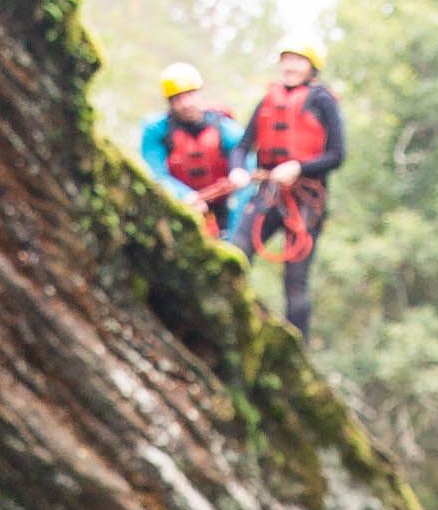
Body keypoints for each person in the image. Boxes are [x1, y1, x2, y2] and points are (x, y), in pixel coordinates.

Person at [235, 40, 345, 337]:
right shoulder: (268, 100)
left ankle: (297, 350)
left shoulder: (323, 101)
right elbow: (244, 145)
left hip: (307, 201)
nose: (291, 66)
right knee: (237, 252)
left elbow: (337, 154)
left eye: (299, 60)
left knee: (295, 284)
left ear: (311, 68)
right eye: (287, 60)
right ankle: (228, 323)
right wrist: (238, 170)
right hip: (269, 193)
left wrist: (298, 167)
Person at [135, 61, 243, 241]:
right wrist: (184, 195)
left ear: (199, 94)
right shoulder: (156, 131)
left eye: (190, 95)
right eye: (178, 99)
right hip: (178, 205)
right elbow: (154, 172)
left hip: (221, 207)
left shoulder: (224, 128)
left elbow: (243, 156)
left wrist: (238, 174)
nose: (186, 104)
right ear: (170, 102)